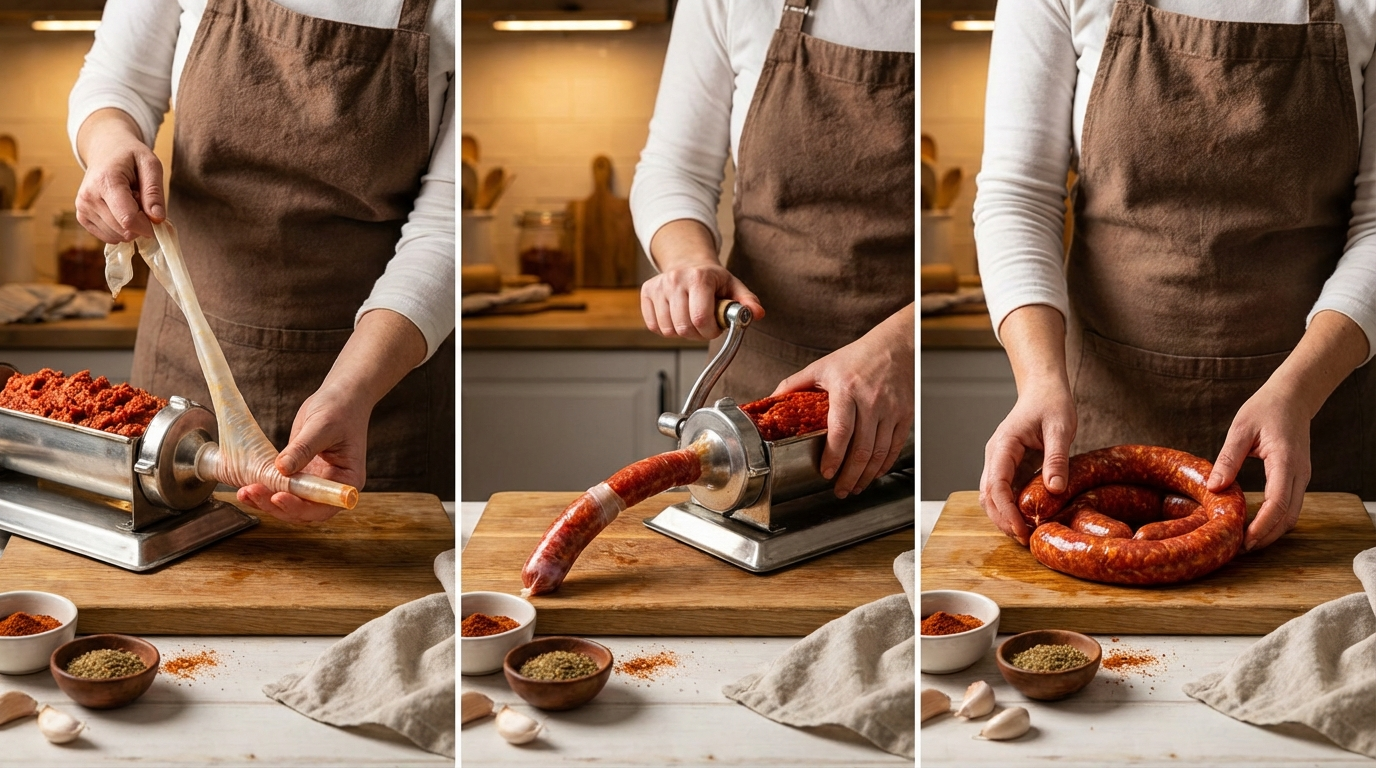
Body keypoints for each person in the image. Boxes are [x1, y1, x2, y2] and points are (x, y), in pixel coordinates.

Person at [974, 0, 1376, 551]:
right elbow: (1017, 196)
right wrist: (1039, 378)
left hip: (1314, 407)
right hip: (1105, 409)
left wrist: (1299, 392)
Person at [68, 0, 455, 522]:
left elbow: (446, 227)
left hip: (377, 387)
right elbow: (119, 81)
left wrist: (354, 390)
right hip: (182, 372)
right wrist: (109, 142)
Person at [631, 0, 916, 499]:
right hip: (760, 376)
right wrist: (688, 259)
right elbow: (675, 167)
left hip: (909, 396)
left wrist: (905, 346)